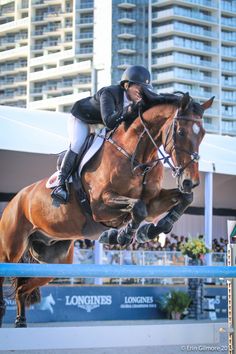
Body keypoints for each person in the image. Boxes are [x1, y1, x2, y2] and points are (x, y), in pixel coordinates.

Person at [51, 65, 152, 204]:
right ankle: (60, 184)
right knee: (77, 143)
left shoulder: (137, 102)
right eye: (139, 87)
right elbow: (110, 121)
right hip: (83, 118)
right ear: (127, 85)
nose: (142, 92)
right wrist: (131, 108)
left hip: (101, 124)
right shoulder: (109, 93)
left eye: (145, 88)